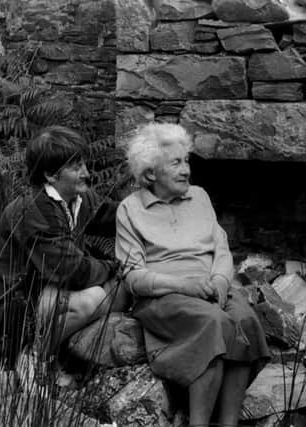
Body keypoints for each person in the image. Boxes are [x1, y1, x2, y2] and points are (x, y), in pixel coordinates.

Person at [115, 123, 270, 427]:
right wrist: (185, 286)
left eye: (186, 161)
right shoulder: (130, 210)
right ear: (150, 174)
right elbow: (132, 277)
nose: (186, 170)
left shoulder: (199, 196)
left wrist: (222, 282)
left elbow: (221, 249)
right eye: (175, 163)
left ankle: (228, 423)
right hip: (164, 297)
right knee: (214, 323)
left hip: (212, 288)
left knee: (245, 320)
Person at [0, 125, 129, 368]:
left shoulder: (78, 198)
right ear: (50, 175)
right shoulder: (32, 211)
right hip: (12, 311)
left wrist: (153, 205)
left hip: (48, 293)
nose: (86, 172)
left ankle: (64, 355)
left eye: (83, 164)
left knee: (120, 293)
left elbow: (115, 216)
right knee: (93, 299)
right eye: (76, 167)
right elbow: (72, 272)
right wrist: (114, 266)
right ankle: (34, 356)